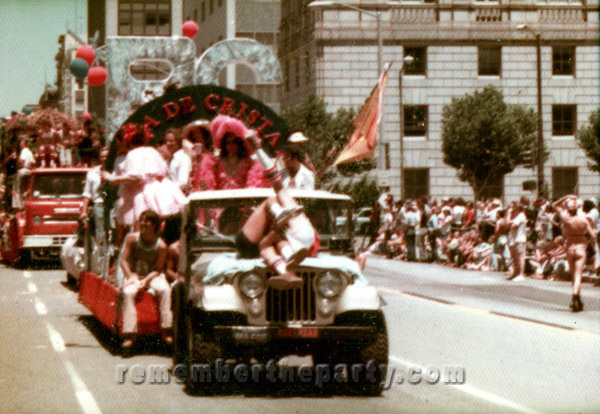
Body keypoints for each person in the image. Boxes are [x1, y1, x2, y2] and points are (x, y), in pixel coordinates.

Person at [102, 125, 185, 243]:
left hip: (143, 194)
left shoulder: (133, 154)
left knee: (141, 230)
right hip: (159, 192)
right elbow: (162, 170)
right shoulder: (152, 151)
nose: (117, 145)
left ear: (126, 141)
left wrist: (112, 179)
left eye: (118, 142)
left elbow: (135, 177)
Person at [120, 210, 172, 349]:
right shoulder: (132, 239)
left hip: (153, 276)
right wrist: (130, 276)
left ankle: (166, 330)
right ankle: (129, 334)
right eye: (141, 220)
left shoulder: (161, 245)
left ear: (154, 225)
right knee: (128, 293)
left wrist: (146, 281)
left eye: (146, 221)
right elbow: (123, 261)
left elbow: (158, 269)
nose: (142, 224)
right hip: (135, 274)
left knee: (165, 290)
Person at [553, 195, 596, 312]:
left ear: (569, 209)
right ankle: (575, 297)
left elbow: (555, 205)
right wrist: (587, 243)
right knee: (578, 275)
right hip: (580, 247)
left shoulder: (566, 219)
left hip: (570, 247)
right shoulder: (583, 220)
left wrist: (567, 197)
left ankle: (576, 298)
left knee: (574, 275)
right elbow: (593, 236)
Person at [81, 147, 110, 268]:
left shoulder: (115, 172)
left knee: (112, 234)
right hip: (99, 205)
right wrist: (84, 211)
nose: (104, 158)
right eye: (102, 156)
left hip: (112, 206)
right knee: (101, 234)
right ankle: (103, 262)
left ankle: (111, 261)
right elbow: (87, 193)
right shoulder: (92, 173)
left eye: (107, 156)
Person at [213, 117, 253, 190]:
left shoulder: (247, 162)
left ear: (239, 144)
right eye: (228, 143)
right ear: (224, 145)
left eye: (234, 142)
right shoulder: (218, 163)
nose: (231, 146)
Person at [507, 203, 527, 281]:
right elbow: (509, 222)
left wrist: (509, 213)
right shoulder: (518, 217)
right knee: (515, 258)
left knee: (520, 257)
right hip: (516, 239)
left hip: (520, 239)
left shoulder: (521, 216)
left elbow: (513, 226)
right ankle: (516, 273)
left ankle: (521, 274)